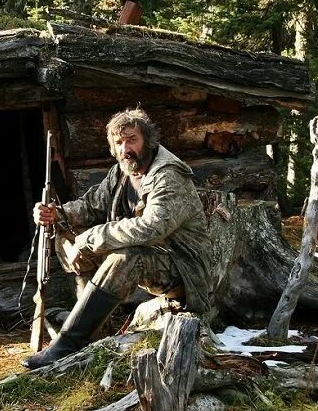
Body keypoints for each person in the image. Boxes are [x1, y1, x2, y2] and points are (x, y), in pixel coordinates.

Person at [23, 108, 211, 369]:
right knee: (66, 233)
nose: (126, 148)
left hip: (184, 270)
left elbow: (152, 227)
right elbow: (91, 206)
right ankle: (92, 324)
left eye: (132, 139)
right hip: (152, 257)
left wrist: (91, 239)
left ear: (147, 139)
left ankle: (67, 345)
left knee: (126, 257)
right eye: (119, 142)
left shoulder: (168, 175)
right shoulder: (121, 173)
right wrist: (57, 213)